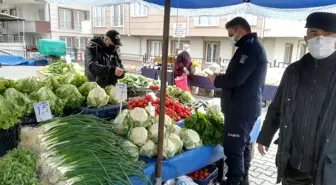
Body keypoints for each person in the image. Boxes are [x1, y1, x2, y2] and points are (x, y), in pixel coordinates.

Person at [257, 12, 336, 185]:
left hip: (326, 167)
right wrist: (265, 136)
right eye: (315, 33)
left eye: (328, 34)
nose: (321, 39)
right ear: (306, 37)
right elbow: (277, 107)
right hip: (293, 164)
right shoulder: (293, 71)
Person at [208, 17, 267, 185]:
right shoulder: (250, 47)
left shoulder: (250, 48)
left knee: (234, 149)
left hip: (241, 109)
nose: (230, 38)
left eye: (231, 34)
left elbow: (236, 78)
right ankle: (243, 180)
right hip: (244, 107)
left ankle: (234, 180)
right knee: (243, 146)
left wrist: (216, 80)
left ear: (240, 31)